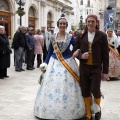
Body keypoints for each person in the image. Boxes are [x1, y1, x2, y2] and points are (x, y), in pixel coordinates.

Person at [34, 15, 85, 119]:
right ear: (58, 25)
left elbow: (77, 47)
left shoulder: (71, 37)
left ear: (66, 25)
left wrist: (78, 51)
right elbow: (49, 52)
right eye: (60, 23)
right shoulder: (53, 37)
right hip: (54, 62)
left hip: (68, 62)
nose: (62, 25)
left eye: (64, 24)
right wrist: (45, 63)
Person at [73, 14, 109, 120]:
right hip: (84, 67)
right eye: (88, 21)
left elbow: (105, 55)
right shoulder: (81, 35)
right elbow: (74, 50)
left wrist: (105, 71)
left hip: (96, 68)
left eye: (92, 21)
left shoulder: (102, 35)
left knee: (95, 89)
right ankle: (88, 113)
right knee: (85, 89)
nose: (90, 23)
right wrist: (81, 55)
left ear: (96, 23)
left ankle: (97, 110)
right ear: (86, 23)